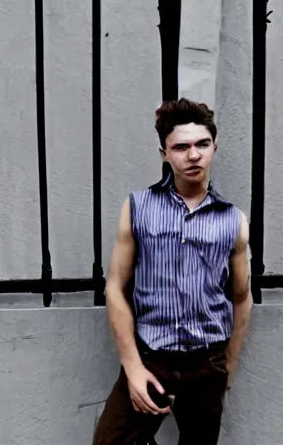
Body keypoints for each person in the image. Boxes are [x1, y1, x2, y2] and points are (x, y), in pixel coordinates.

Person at [93, 98, 253, 445]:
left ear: (215, 145)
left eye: (202, 144)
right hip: (152, 359)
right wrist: (133, 368)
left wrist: (227, 368)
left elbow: (241, 296)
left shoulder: (233, 220)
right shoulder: (138, 207)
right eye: (181, 147)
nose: (193, 155)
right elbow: (116, 288)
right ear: (164, 153)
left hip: (206, 363)